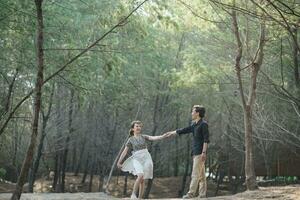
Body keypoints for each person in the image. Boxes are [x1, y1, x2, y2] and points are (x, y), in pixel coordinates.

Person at [165, 105, 209, 199]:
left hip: (200, 153)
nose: (191, 113)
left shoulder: (203, 124)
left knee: (195, 174)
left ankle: (190, 194)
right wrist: (172, 133)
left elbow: (206, 140)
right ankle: (202, 195)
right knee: (201, 175)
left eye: (193, 111)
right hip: (195, 152)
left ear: (197, 113)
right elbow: (185, 130)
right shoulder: (194, 124)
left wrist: (204, 153)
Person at [117, 120, 168, 200]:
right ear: (133, 128)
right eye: (137, 126)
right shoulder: (130, 139)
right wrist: (119, 162)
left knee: (143, 179)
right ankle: (133, 195)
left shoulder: (143, 136)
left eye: (140, 126)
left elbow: (153, 138)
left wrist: (162, 136)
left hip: (146, 157)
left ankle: (140, 198)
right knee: (140, 175)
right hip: (137, 158)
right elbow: (125, 151)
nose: (138, 128)